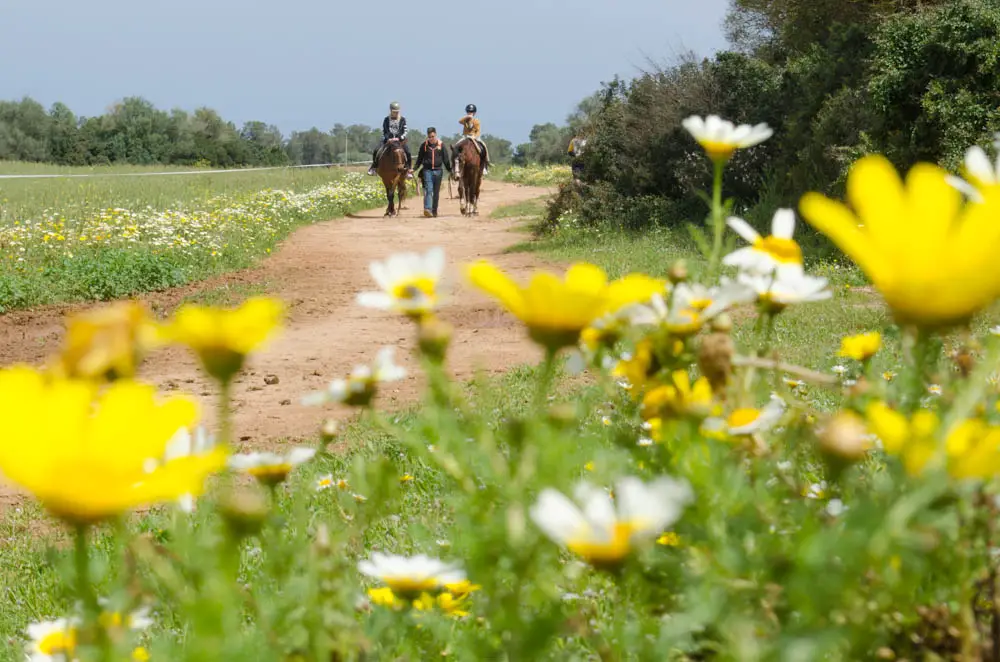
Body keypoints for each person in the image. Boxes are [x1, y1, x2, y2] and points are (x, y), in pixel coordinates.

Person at [368, 101, 413, 179]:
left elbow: (405, 131)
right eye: (394, 112)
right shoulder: (386, 119)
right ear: (391, 111)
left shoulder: (402, 119)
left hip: (400, 141)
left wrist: (400, 138)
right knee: (376, 150)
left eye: (397, 112)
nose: (396, 113)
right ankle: (374, 167)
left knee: (407, 152)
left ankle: (408, 170)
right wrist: (388, 138)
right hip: (388, 140)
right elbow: (384, 131)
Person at [414, 127, 452, 218]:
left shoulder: (441, 145)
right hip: (427, 171)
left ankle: (434, 211)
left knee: (436, 192)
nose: (431, 138)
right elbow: (419, 159)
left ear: (435, 134)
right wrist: (414, 168)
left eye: (433, 136)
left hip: (438, 171)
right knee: (428, 190)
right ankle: (428, 209)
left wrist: (450, 170)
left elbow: (446, 159)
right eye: (429, 136)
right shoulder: (424, 146)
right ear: (427, 136)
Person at [453, 104, 490, 177]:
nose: (470, 113)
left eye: (471, 112)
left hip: (474, 136)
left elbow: (478, 131)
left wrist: (475, 137)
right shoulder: (465, 120)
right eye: (469, 111)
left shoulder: (476, 121)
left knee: (483, 146)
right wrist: (467, 117)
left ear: (474, 113)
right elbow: (459, 121)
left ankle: (485, 164)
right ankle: (454, 166)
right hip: (465, 136)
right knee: (456, 147)